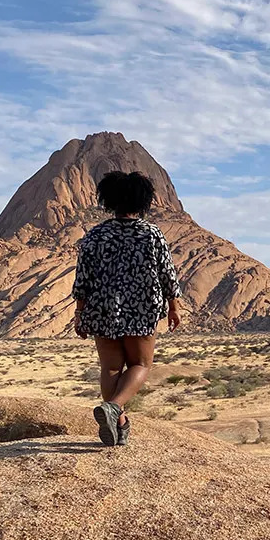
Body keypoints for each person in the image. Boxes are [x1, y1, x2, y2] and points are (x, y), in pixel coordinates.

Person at [72, 171, 182, 446]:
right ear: (142, 201)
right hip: (142, 308)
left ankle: (118, 425)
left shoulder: (95, 235)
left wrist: (79, 313)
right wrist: (174, 307)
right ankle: (115, 408)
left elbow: (82, 278)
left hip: (102, 308)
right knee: (140, 364)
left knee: (110, 368)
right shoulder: (151, 234)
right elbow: (167, 274)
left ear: (109, 200)